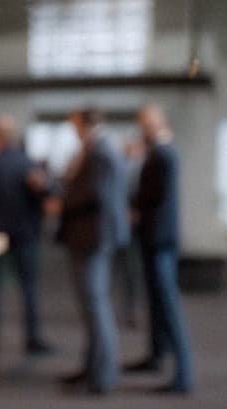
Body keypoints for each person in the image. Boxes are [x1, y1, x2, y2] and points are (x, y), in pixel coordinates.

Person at [58, 107, 130, 394]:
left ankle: (102, 376)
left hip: (93, 237)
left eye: (75, 125)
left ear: (86, 124)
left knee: (96, 306)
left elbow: (96, 193)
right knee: (93, 307)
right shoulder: (98, 148)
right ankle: (92, 368)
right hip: (92, 236)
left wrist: (62, 200)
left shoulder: (100, 151)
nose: (73, 131)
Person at [124, 104, 194, 394]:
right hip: (153, 237)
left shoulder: (164, 154)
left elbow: (153, 195)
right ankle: (156, 356)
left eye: (145, 125)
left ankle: (183, 375)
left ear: (156, 124)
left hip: (160, 239)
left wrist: (134, 207)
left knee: (168, 304)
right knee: (155, 301)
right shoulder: (158, 153)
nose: (142, 130)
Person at [0, 115, 53, 355]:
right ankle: (32, 337)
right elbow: (45, 192)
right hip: (25, 232)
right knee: (29, 287)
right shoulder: (27, 162)